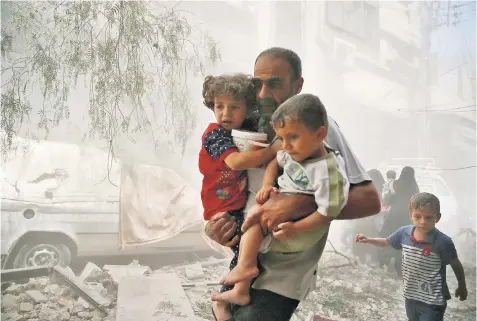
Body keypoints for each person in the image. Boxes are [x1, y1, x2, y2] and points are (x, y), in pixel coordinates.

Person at [206, 47, 381, 321]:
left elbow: (369, 199)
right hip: (244, 261)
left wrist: (300, 204)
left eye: (274, 83)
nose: (263, 93)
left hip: (282, 272)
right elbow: (225, 185)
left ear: (298, 86)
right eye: (257, 83)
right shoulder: (244, 125)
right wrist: (214, 225)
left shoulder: (316, 128)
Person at [211, 94, 349, 307]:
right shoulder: (294, 152)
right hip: (280, 208)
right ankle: (241, 287)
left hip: (302, 230)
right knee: (251, 221)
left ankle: (245, 271)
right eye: (281, 138)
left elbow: (326, 214)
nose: (286, 145)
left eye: (293, 137)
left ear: (320, 134)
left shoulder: (327, 173)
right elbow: (276, 162)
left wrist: (296, 228)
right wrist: (267, 185)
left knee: (253, 224)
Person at [199, 73, 280, 320]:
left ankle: (232, 295)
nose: (225, 113)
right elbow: (235, 162)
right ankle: (229, 297)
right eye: (219, 106)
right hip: (222, 205)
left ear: (247, 107)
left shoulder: (247, 128)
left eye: (234, 107)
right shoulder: (215, 134)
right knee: (243, 250)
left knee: (245, 249)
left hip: (234, 201)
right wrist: (274, 149)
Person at [356, 192, 468, 321]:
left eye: (428, 217)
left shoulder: (443, 242)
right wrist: (368, 239)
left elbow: (456, 264)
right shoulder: (404, 233)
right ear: (411, 215)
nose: (423, 221)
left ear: (437, 217)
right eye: (418, 216)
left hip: (433, 302)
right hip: (411, 297)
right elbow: (387, 242)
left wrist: (462, 286)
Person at [379, 166, 420, 275]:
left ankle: (384, 263)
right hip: (408, 216)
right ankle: (400, 268)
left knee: (388, 235)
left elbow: (388, 198)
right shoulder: (415, 188)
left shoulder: (395, 184)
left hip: (394, 214)